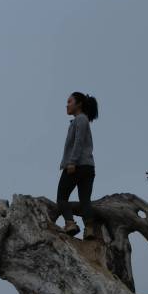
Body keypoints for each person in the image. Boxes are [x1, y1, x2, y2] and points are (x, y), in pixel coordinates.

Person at [56, 92, 98, 236]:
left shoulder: (80, 119)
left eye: (70, 101)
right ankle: (89, 230)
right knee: (85, 200)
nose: (67, 105)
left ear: (79, 104)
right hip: (88, 167)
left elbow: (78, 142)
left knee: (61, 198)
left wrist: (72, 162)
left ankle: (70, 224)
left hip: (76, 165)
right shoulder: (82, 120)